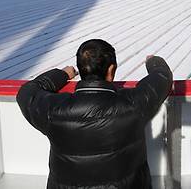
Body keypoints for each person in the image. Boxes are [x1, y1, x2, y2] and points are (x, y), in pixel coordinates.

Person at [17, 39, 173, 189]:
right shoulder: (134, 104)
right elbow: (162, 77)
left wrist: (63, 74)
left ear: (81, 69)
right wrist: (153, 61)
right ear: (111, 70)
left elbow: (27, 92)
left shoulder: (53, 111)